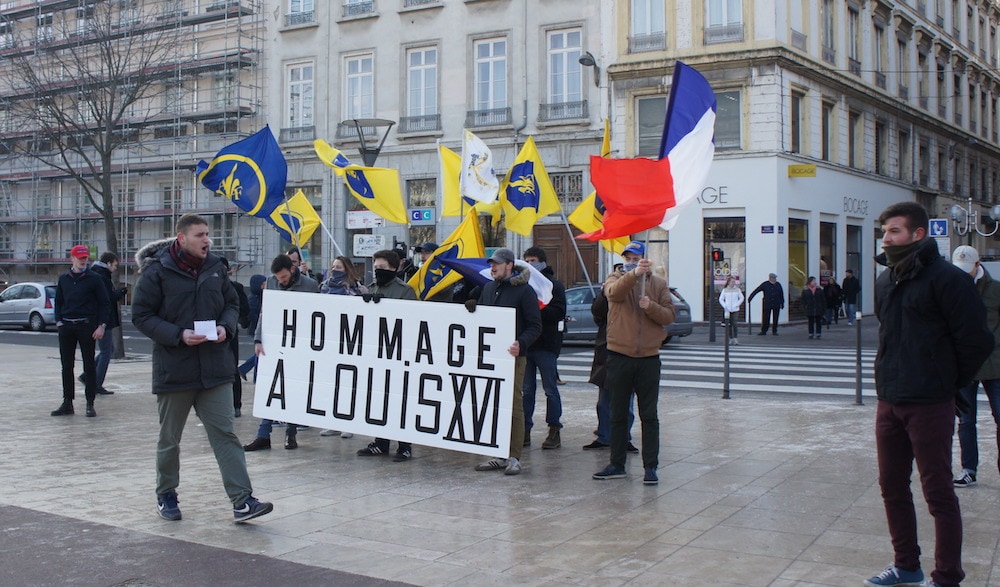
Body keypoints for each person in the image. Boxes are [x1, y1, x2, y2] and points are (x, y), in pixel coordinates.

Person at [865, 202, 992, 587]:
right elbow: (888, 333)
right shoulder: (885, 281)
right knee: (891, 486)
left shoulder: (948, 280)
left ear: (918, 234)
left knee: (937, 491)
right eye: (884, 231)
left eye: (894, 231)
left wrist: (946, 383)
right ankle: (906, 565)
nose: (886, 238)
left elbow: (976, 341)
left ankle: (947, 576)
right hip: (890, 399)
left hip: (930, 401)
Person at [132, 213, 273, 523]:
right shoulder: (157, 273)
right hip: (175, 371)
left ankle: (242, 500)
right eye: (200, 235)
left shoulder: (215, 268)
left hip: (216, 369)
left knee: (225, 435)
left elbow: (232, 305)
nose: (207, 240)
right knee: (170, 439)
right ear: (181, 239)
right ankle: (166, 494)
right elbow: (141, 315)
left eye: (208, 234)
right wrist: (178, 335)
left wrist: (226, 327)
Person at [593, 241, 674, 486]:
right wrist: (633, 275)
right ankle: (617, 463)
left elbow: (669, 316)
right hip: (619, 356)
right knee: (617, 414)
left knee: (649, 415)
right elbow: (613, 294)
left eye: (636, 257)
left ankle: (651, 466)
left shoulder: (658, 284)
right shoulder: (615, 278)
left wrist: (650, 307)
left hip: (648, 358)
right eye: (628, 257)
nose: (631, 260)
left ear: (645, 258)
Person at [466, 248, 542, 475]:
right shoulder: (488, 288)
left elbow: (535, 325)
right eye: (491, 264)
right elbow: (484, 319)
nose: (493, 267)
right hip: (490, 356)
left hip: (513, 357)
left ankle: (514, 456)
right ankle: (497, 453)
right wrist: (472, 307)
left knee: (513, 406)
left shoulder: (524, 291)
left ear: (510, 265)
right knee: (493, 404)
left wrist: (521, 343)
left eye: (497, 264)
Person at [244, 253, 320, 451]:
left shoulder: (310, 285)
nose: (281, 281)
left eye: (284, 277)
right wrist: (258, 338)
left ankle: (291, 433)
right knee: (269, 386)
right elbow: (265, 311)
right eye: (278, 278)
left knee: (292, 388)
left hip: (299, 344)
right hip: (275, 341)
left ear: (293, 270)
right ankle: (263, 434)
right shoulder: (271, 281)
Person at [355, 249, 418, 462]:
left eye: (382, 268)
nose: (377, 271)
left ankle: (404, 445)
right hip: (375, 354)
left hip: (398, 354)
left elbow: (413, 321)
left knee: (400, 400)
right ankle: (380, 442)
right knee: (378, 398)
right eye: (376, 267)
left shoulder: (405, 291)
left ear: (394, 268)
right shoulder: (371, 288)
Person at [950, 245, 1000, 489]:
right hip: (966, 367)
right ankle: (969, 468)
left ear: (978, 266)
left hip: (995, 364)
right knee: (966, 420)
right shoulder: (952, 289)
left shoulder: (996, 290)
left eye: (967, 269)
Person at [51, 245, 111, 417]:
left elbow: (104, 303)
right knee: (66, 366)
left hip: (86, 326)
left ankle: (90, 403)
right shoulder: (64, 279)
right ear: (72, 258)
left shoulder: (94, 279)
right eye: (80, 257)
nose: (83, 260)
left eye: (85, 257)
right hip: (67, 326)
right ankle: (67, 402)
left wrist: (101, 325)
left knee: (89, 365)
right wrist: (59, 321)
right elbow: (59, 301)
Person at [520, 246, 567, 450]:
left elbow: (558, 312)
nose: (530, 265)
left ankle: (554, 428)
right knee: (527, 391)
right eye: (526, 261)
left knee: (550, 390)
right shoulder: (522, 284)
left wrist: (537, 309)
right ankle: (525, 430)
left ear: (542, 262)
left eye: (533, 260)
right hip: (527, 344)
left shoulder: (554, 286)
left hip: (546, 345)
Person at [583, 283, 638, 453]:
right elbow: (597, 313)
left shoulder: (639, 288)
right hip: (607, 350)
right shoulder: (610, 290)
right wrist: (603, 294)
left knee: (626, 401)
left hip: (629, 349)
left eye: (634, 259)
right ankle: (604, 436)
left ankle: (624, 437)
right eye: (628, 259)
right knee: (604, 399)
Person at [319, 255, 366, 438]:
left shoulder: (357, 289)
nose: (335, 269)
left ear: (347, 269)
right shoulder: (325, 287)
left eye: (339, 267)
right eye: (333, 266)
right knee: (332, 383)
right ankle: (333, 421)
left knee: (348, 383)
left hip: (350, 341)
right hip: (331, 341)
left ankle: (349, 423)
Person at [85, 252, 126, 396]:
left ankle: (87, 376)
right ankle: (96, 383)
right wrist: (121, 292)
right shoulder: (101, 276)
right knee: (106, 352)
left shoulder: (97, 273)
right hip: (103, 319)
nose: (115, 268)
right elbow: (106, 298)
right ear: (108, 263)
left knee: (107, 349)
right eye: (114, 265)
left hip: (101, 318)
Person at [237, 274, 266, 381]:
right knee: (260, 353)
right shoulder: (253, 298)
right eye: (263, 284)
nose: (265, 285)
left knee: (259, 352)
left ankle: (243, 369)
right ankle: (254, 376)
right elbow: (251, 314)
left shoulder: (261, 296)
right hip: (255, 329)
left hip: (258, 329)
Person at [718, 276, 744, 345]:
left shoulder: (737, 289)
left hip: (735, 309)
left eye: (734, 282)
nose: (733, 283)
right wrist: (725, 306)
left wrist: (737, 304)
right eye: (732, 282)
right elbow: (721, 299)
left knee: (734, 324)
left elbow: (741, 298)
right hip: (728, 309)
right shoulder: (725, 290)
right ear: (729, 282)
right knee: (729, 325)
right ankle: (731, 338)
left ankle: (735, 338)